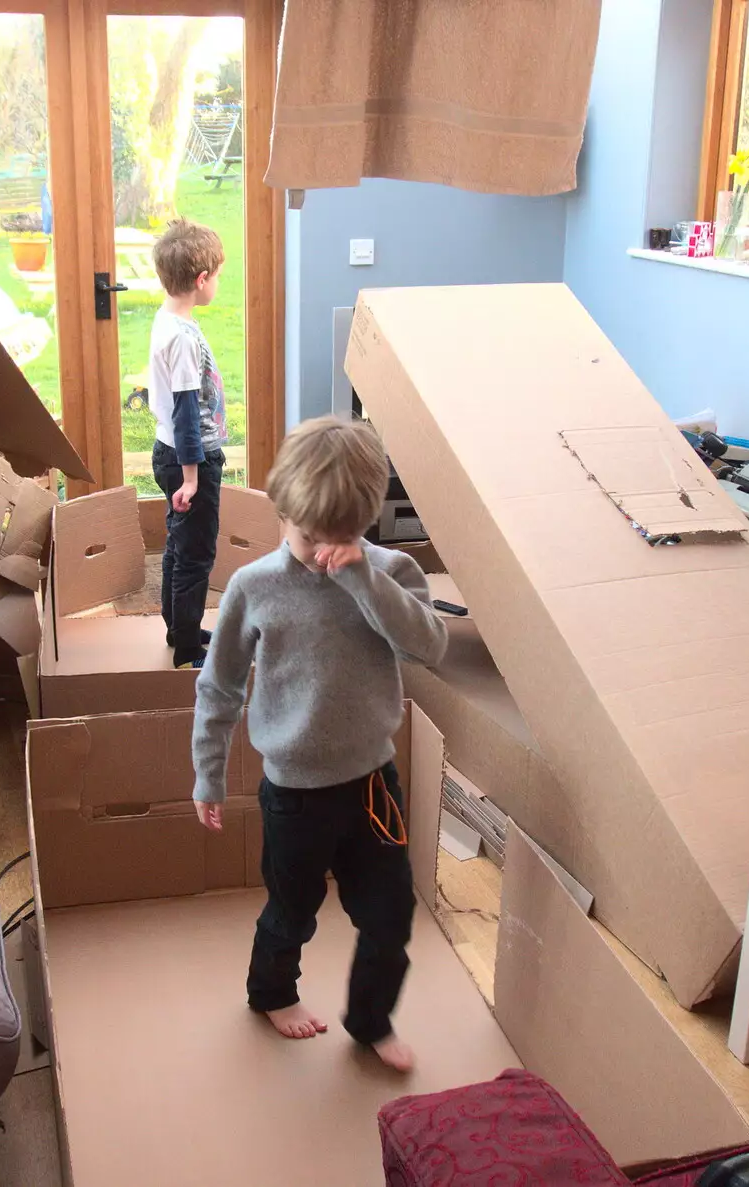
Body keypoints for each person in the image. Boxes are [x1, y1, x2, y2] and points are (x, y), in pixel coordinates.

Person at [190, 417, 448, 1073]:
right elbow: (218, 688)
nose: (322, 552)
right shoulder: (254, 586)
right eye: (308, 536)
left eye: (342, 538)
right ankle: (272, 992)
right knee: (291, 911)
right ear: (282, 511)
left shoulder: (391, 570)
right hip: (294, 794)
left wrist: (364, 579)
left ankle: (371, 1020)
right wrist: (207, 775)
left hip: (371, 786)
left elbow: (429, 645)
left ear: (366, 522)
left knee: (391, 914)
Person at [148, 219, 229, 671]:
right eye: (216, 275)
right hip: (189, 462)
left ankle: (179, 627)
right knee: (196, 555)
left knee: (179, 547)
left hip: (174, 456)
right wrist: (194, 478)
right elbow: (184, 412)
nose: (217, 283)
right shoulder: (180, 339)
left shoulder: (169, 320)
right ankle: (187, 652)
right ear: (201, 281)